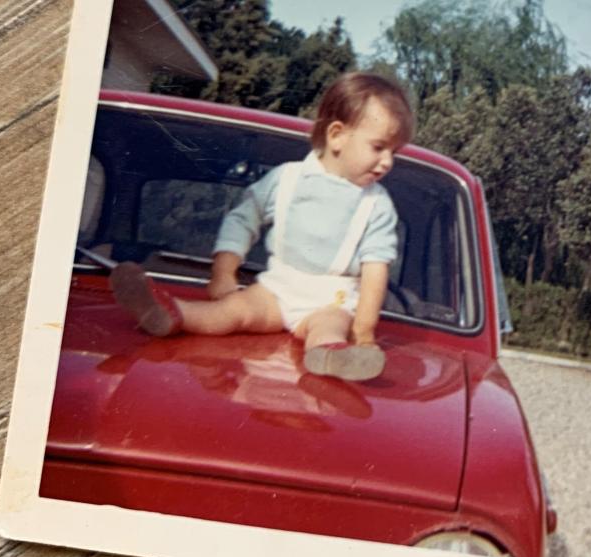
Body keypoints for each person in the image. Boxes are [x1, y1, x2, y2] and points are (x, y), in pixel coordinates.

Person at [110, 71, 413, 382]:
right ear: (336, 135)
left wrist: (363, 334)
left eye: (394, 152)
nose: (388, 162)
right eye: (379, 147)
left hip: (330, 300)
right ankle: (170, 314)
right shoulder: (287, 179)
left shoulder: (376, 204)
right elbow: (242, 220)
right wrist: (224, 273)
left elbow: (376, 269)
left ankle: (334, 356)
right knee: (233, 310)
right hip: (276, 290)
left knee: (330, 326)